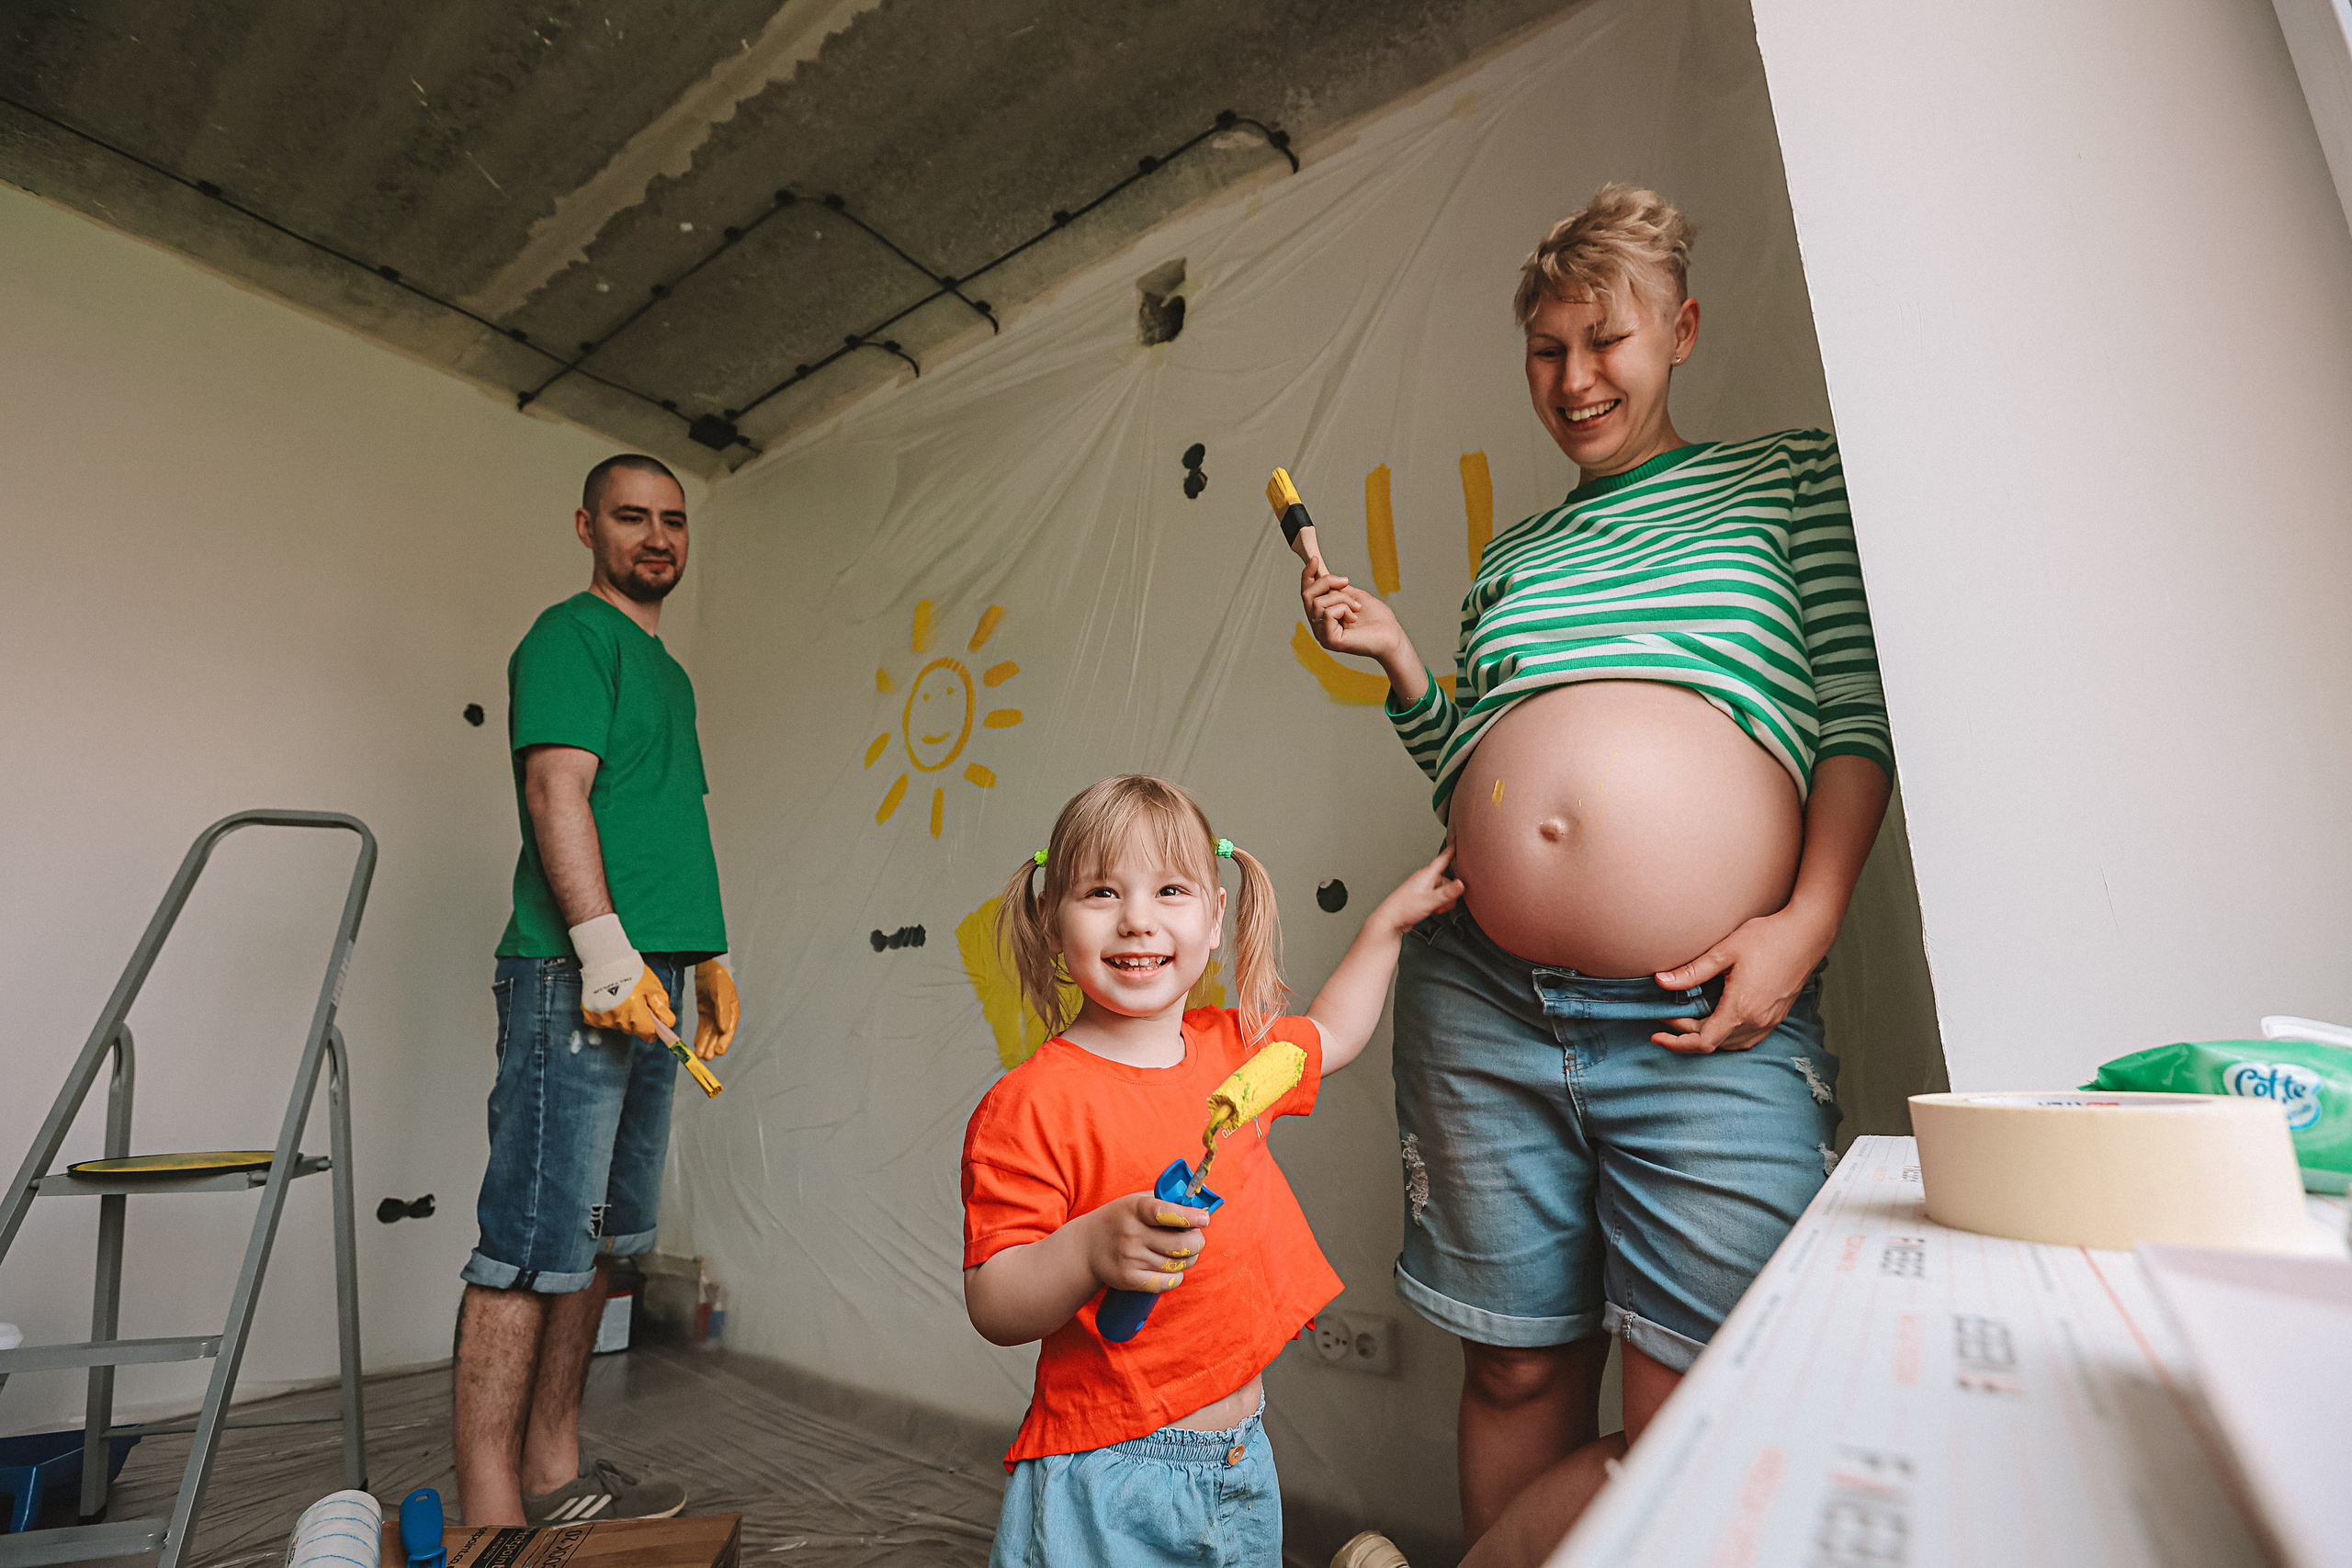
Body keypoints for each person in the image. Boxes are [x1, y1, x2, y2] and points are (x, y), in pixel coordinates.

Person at [1303, 186, 1894, 1566]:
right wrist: (1403, 665)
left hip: (1705, 1009)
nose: (1573, 379)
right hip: (1482, 997)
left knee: (1710, 1409)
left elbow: (1855, 721)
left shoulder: (1788, 480)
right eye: (1546, 349)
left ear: (1678, 330)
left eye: (1605, 340)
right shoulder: (1515, 553)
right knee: (1515, 1367)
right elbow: (1477, 775)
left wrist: (1806, 925)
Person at [961, 775, 1464, 1568]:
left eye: (1170, 889)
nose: (1137, 918)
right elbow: (994, 1299)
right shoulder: (1029, 1103)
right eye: (1101, 892)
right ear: (1052, 918)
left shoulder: (1236, 1051)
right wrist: (1088, 1248)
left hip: (1242, 1454)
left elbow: (1333, 1032)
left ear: (1215, 915)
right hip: (1108, 1469)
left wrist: (1387, 926)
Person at [453, 454, 744, 1526]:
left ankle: (554, 1474)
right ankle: (491, 1514)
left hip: (649, 978)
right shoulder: (569, 637)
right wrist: (603, 952)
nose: (656, 537)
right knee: (530, 1242)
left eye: (673, 520)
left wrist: (701, 957)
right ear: (587, 527)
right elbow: (555, 791)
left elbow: (657, 821)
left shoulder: (669, 675)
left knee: (599, 1239)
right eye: (631, 517)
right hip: (574, 974)